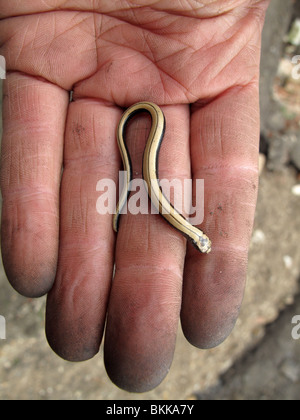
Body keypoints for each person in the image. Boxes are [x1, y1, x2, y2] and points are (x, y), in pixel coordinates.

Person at [0, 0, 270, 393]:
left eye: (200, 240)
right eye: (201, 239)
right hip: (140, 112)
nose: (201, 241)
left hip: (146, 114)